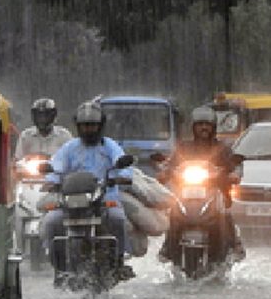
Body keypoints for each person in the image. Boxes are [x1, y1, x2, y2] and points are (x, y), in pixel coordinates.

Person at [40, 100, 135, 280]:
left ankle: (120, 260)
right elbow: (56, 166)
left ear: (100, 126)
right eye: (84, 126)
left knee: (118, 218)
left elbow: (122, 162)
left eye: (92, 126)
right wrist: (51, 180)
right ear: (78, 126)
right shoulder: (70, 147)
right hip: (71, 202)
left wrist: (121, 175)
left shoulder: (109, 146)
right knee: (51, 221)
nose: (88, 130)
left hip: (104, 199)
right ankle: (57, 263)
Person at [157, 105, 246, 261]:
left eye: (207, 124)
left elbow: (234, 166)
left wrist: (233, 174)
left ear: (213, 127)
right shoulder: (184, 147)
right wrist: (165, 171)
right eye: (200, 124)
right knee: (173, 212)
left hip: (215, 191)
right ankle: (168, 246)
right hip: (185, 192)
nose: (204, 128)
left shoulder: (222, 148)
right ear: (193, 127)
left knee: (224, 212)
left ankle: (233, 244)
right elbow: (171, 163)